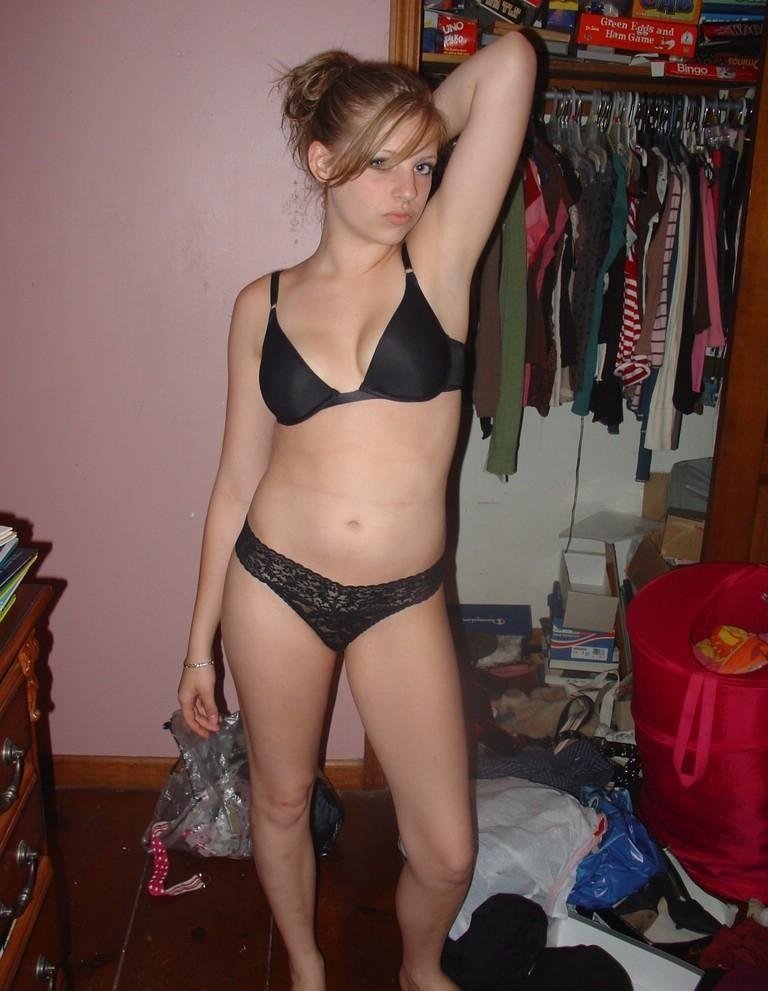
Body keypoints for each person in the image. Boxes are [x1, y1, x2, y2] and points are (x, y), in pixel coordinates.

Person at [178, 31, 536, 991]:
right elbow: (233, 482)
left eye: (423, 165)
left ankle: (419, 967)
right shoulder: (261, 304)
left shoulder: (440, 264)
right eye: (383, 165)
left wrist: (406, 126)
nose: (409, 188)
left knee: (447, 851)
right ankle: (305, 965)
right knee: (282, 799)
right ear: (322, 162)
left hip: (401, 600)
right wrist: (198, 645)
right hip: (273, 585)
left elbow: (511, 62)